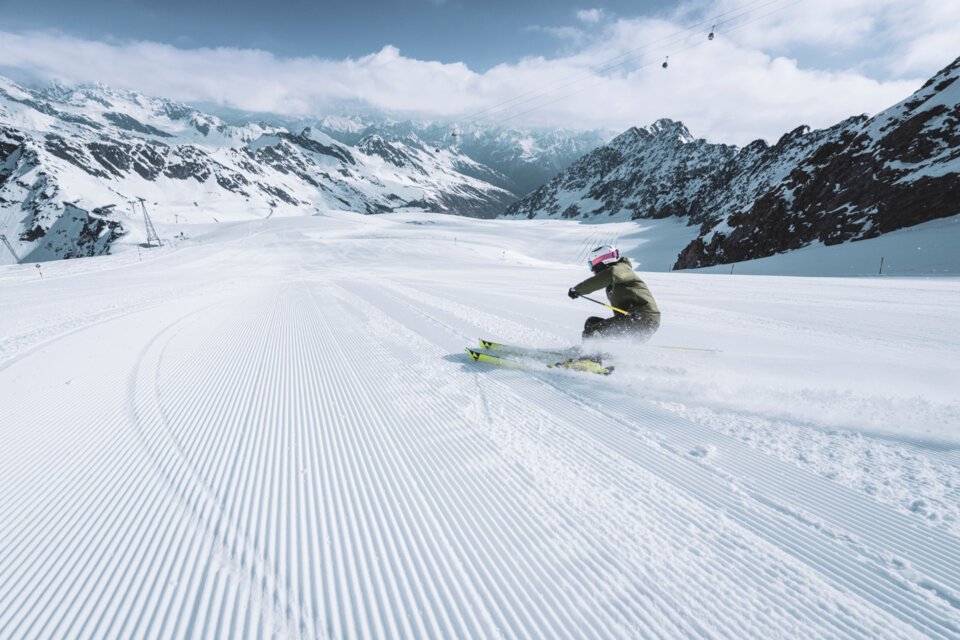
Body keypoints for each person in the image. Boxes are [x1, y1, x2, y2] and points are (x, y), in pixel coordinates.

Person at [568, 245, 660, 341]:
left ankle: (589, 354)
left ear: (600, 262)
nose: (592, 270)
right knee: (592, 322)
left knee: (594, 331)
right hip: (633, 319)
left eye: (592, 265)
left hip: (642, 319)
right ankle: (594, 351)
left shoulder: (621, 269)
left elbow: (610, 274)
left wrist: (578, 289)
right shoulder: (618, 275)